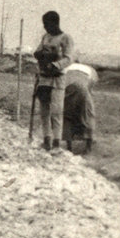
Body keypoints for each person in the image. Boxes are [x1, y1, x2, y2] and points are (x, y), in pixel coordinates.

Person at [33, 11, 74, 150]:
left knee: (56, 111)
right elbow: (38, 51)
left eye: (47, 24)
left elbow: (69, 58)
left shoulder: (65, 38)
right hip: (44, 77)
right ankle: (47, 140)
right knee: (44, 110)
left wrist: (55, 64)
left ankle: (57, 141)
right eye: (44, 24)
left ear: (55, 23)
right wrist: (39, 55)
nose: (45, 27)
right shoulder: (45, 37)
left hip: (57, 78)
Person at [62, 63, 97, 154]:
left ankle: (69, 147)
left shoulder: (67, 68)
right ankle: (88, 146)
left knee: (67, 115)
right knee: (88, 115)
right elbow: (90, 88)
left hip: (68, 89)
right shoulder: (90, 71)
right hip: (83, 90)